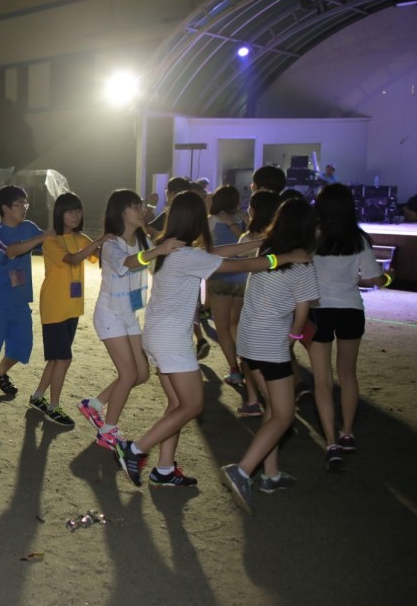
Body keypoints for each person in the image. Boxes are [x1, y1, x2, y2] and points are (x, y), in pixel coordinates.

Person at [114, 191, 310, 488]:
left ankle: (164, 469)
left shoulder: (170, 248)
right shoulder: (187, 255)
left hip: (156, 334)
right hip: (171, 340)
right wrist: (286, 257)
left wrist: (258, 243)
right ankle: (134, 449)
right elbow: (240, 266)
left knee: (177, 404)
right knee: (193, 405)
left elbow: (214, 252)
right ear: (195, 220)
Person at [220, 198, 319, 515]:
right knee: (285, 416)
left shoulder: (267, 254)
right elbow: (301, 317)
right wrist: (292, 340)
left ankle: (271, 474)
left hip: (248, 342)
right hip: (271, 345)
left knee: (274, 410)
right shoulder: (303, 265)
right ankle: (243, 470)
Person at [80, 190, 183, 445]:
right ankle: (108, 431)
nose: (142, 210)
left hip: (130, 314)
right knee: (128, 374)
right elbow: (129, 262)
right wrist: (158, 250)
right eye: (136, 206)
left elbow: (155, 261)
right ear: (121, 212)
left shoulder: (143, 240)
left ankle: (94, 405)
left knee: (142, 374)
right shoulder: (111, 244)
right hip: (110, 315)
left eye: (141, 206)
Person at [307, 183, 388, 472]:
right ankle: (347, 432)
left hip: (318, 309)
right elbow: (375, 279)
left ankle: (331, 442)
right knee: (348, 373)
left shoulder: (312, 236)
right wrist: (387, 278)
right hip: (351, 309)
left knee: (322, 380)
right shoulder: (358, 238)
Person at [31, 192, 113, 427]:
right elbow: (74, 259)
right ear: (60, 214)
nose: (75, 215)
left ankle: (38, 397)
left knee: (57, 358)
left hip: (72, 308)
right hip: (54, 307)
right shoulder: (52, 240)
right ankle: (53, 407)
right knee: (63, 359)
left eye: (78, 210)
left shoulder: (81, 237)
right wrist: (98, 241)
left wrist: (112, 242)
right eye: (70, 211)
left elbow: (99, 256)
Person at [0, 185, 53, 400]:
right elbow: (10, 251)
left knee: (22, 344)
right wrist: (40, 239)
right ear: (5, 208)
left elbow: (50, 244)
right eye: (19, 204)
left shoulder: (28, 227)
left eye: (25, 204)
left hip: (19, 299)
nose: (24, 208)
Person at [235, 189, 283, 410]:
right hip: (279, 311)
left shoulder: (252, 239)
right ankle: (286, 396)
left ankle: (256, 399)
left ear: (254, 210)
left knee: (248, 354)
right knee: (278, 359)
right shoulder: (285, 242)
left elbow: (243, 261)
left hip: (255, 308)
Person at [207, 185, 249, 390]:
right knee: (236, 323)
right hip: (243, 278)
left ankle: (235, 370)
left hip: (220, 278)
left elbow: (205, 249)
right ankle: (247, 364)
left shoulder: (212, 220)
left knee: (222, 326)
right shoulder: (243, 219)